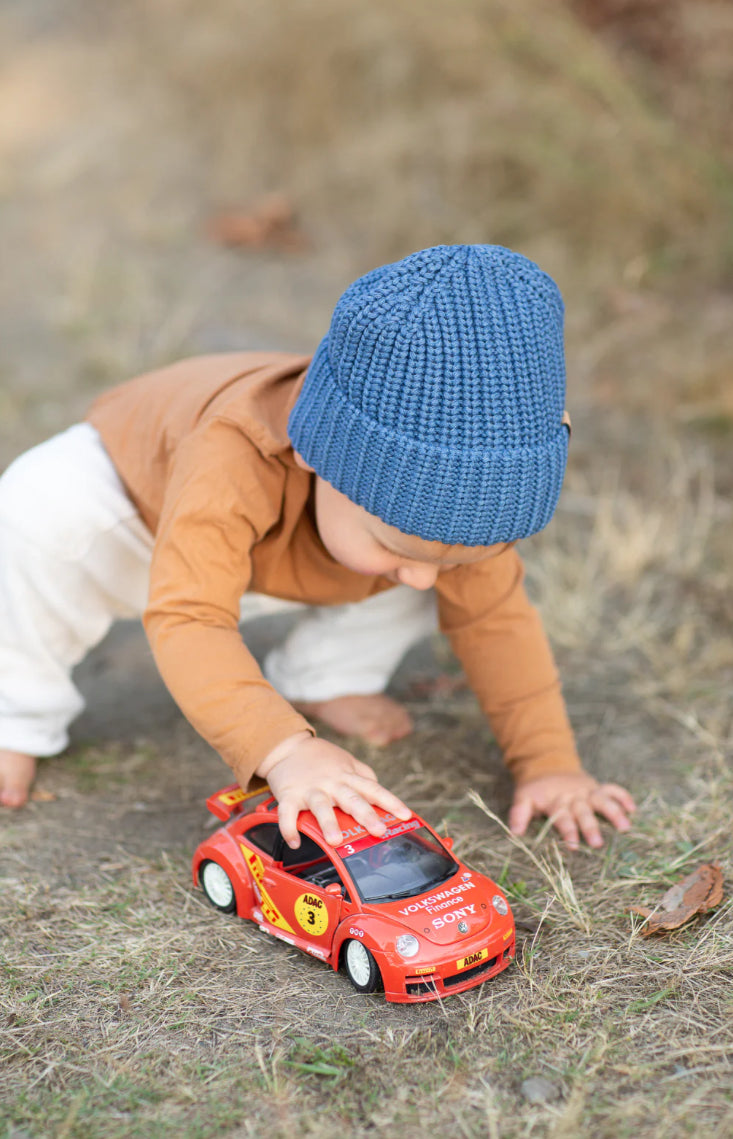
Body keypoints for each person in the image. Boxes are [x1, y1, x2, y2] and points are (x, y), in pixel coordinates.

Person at [0, 244, 635, 849]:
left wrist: (549, 763)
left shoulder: (440, 529)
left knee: (447, 583)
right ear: (316, 452)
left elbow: (496, 621)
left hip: (284, 558)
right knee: (33, 519)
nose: (422, 576)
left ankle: (324, 676)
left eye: (454, 554)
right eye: (397, 546)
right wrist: (283, 750)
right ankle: (14, 718)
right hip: (135, 527)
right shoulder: (232, 453)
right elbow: (189, 615)